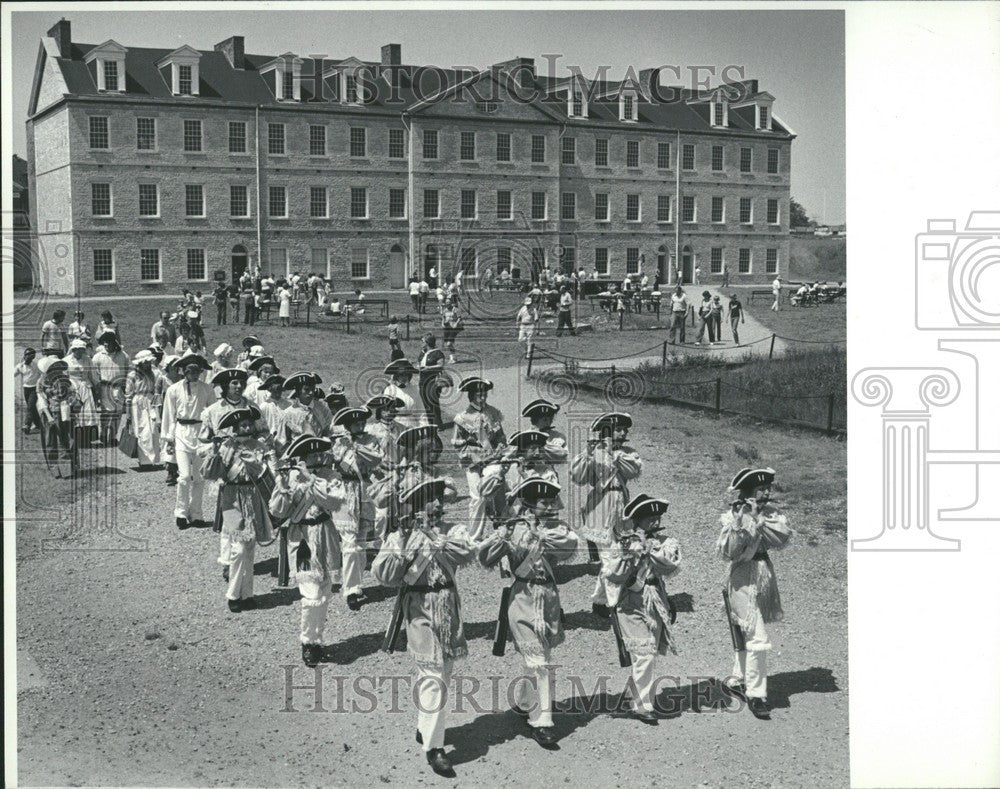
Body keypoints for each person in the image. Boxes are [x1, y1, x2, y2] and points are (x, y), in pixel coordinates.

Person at [371, 477, 477, 778]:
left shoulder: (452, 531)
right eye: (426, 501)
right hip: (419, 608)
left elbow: (467, 553)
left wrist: (433, 535)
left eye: (437, 501)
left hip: (447, 605)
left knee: (441, 672)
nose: (434, 506)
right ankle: (434, 747)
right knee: (433, 675)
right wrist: (404, 541)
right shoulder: (400, 536)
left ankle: (424, 724)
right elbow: (384, 574)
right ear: (415, 508)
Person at [477, 477, 578, 748]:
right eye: (545, 502)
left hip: (549, 600)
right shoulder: (514, 528)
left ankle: (523, 703)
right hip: (522, 599)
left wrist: (539, 532)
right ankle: (542, 722)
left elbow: (570, 546)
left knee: (538, 657)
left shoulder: (557, 528)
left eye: (551, 501)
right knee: (539, 662)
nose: (552, 505)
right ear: (530, 503)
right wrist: (504, 533)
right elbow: (484, 557)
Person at [717, 467, 793, 720]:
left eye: (767, 489)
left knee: (745, 631)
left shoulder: (770, 515)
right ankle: (756, 693)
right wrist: (744, 519)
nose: (766, 493)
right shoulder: (733, 516)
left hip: (763, 576)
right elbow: (730, 551)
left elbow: (780, 539)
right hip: (741, 578)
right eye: (760, 490)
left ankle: (738, 679)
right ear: (748, 493)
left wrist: (760, 517)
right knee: (757, 637)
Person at [270, 435, 351, 666]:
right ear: (302, 458)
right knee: (311, 595)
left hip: (326, 535)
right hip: (302, 540)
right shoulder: (292, 477)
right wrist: (284, 486)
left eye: (320, 454)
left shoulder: (332, 476)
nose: (318, 458)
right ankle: (307, 642)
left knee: (324, 592)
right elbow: (278, 511)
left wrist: (311, 478)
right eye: (312, 456)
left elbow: (335, 502)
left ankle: (316, 641)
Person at [603, 494, 682, 723]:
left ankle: (634, 694)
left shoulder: (665, 542)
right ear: (638, 521)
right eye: (650, 519)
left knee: (648, 654)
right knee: (644, 653)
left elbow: (670, 564)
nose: (655, 523)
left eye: (657, 518)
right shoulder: (622, 543)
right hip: (630, 603)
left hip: (656, 601)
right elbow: (614, 575)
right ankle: (642, 706)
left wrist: (649, 549)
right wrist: (629, 553)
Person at [201, 406, 277, 612]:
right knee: (239, 548)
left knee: (250, 548)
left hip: (254, 497)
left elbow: (270, 474)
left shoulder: (259, 446)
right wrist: (215, 452)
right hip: (233, 499)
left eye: (249, 424)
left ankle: (247, 594)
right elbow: (209, 474)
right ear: (235, 428)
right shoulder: (227, 446)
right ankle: (233, 594)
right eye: (242, 424)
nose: (246, 427)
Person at [570, 412, 642, 617]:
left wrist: (613, 453)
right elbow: (579, 477)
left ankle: (599, 602)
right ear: (606, 432)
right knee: (612, 559)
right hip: (600, 508)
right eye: (618, 429)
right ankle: (615, 605)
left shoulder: (627, 452)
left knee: (619, 556)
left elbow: (633, 469)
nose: (623, 432)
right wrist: (590, 454)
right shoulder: (595, 452)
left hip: (622, 508)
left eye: (624, 430)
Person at [330, 405, 384, 610]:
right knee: (349, 544)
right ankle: (350, 588)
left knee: (361, 544)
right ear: (348, 426)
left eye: (362, 422)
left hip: (365, 490)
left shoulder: (371, 441)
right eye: (356, 423)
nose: (360, 426)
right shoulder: (339, 442)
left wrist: (359, 448)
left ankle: (357, 583)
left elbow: (376, 460)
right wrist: (343, 447)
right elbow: (335, 463)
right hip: (346, 491)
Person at [161, 353, 216, 529]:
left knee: (199, 477)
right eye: (189, 370)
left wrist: (212, 435)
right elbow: (168, 415)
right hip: (182, 432)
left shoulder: (207, 389)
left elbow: (213, 412)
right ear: (183, 371)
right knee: (184, 476)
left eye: (196, 370)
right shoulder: (173, 390)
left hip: (201, 433)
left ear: (201, 371)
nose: (193, 373)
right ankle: (181, 513)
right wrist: (169, 439)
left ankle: (197, 514)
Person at [451, 376, 507, 541]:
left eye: (484, 394)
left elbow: (501, 437)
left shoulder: (493, 413)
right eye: (478, 394)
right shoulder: (462, 418)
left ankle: (503, 531)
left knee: (499, 493)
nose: (482, 397)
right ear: (471, 396)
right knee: (477, 498)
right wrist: (476, 455)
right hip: (474, 463)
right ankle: (474, 538)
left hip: (493, 460)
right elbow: (457, 443)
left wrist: (500, 446)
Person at [124, 350, 163, 469]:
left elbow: (157, 390)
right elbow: (128, 395)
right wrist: (128, 413)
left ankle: (152, 458)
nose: (147, 365)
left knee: (152, 430)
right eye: (145, 363)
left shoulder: (155, 373)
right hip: (138, 402)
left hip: (150, 400)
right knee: (141, 430)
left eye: (149, 362)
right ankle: (144, 461)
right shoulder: (132, 375)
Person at [282, 372, 333, 443]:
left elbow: (329, 430)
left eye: (313, 389)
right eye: (306, 390)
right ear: (298, 391)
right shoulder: (288, 413)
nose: (311, 392)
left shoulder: (322, 407)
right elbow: (283, 440)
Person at [521, 398, 568, 469]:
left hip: (548, 475)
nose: (548, 423)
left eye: (550, 419)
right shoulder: (525, 436)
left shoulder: (558, 436)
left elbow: (562, 454)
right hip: (527, 474)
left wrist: (541, 442)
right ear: (535, 420)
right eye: (545, 420)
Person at [383, 359, 424, 428]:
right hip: (396, 424)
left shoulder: (414, 389)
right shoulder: (390, 390)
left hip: (412, 424)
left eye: (406, 375)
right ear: (396, 376)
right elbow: (385, 411)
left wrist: (423, 426)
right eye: (401, 375)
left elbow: (421, 411)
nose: (404, 377)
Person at [418, 334, 447, 429]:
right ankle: (429, 424)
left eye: (422, 341)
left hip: (433, 381)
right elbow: (420, 363)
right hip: (422, 381)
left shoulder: (437, 353)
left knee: (432, 403)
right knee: (424, 402)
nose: (421, 343)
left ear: (427, 343)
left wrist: (428, 368)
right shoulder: (423, 352)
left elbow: (440, 365)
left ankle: (438, 425)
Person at [16, 347, 43, 434]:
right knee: (32, 408)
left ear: (32, 358)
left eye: (30, 356)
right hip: (26, 389)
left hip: (35, 389)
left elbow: (43, 374)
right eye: (26, 355)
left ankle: (27, 425)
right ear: (24, 356)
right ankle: (39, 425)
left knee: (30, 407)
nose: (27, 358)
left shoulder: (36, 365)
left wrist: (40, 383)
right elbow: (11, 374)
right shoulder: (20, 366)